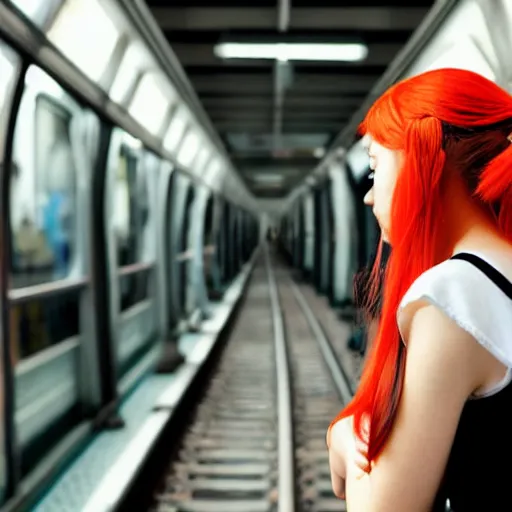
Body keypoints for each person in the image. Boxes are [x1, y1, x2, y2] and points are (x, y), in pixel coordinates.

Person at [326, 67, 512, 511]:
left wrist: (343, 436)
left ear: (422, 156)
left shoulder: (454, 296)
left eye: (375, 168)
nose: (369, 197)